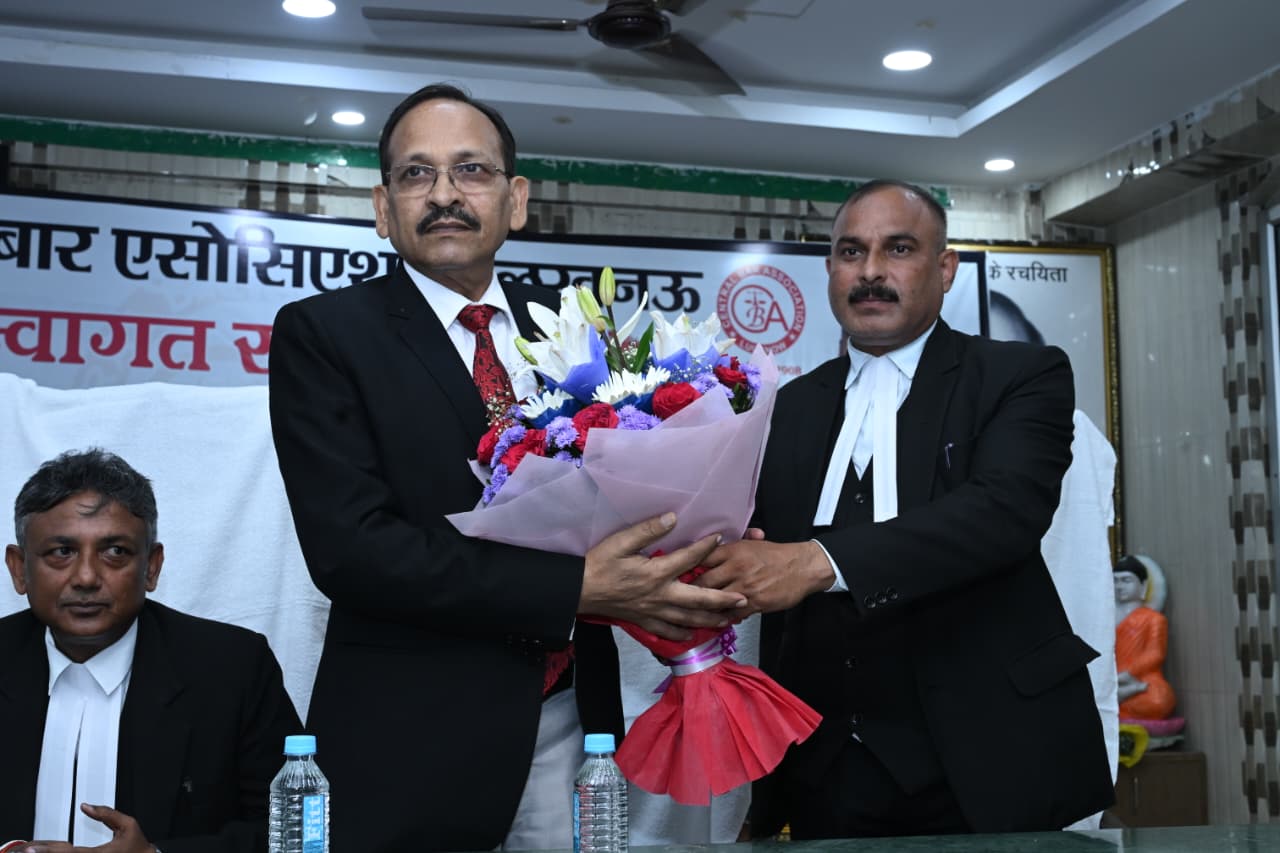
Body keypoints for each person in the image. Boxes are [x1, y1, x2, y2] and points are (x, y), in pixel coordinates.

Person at [267, 83, 743, 853]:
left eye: (472, 170)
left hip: (574, 725)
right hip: (410, 740)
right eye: (416, 174)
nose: (444, 195)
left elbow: (633, 493)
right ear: (383, 208)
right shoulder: (324, 334)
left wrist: (696, 543)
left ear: (515, 199)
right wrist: (573, 588)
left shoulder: (582, 334)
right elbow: (352, 550)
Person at [699, 179, 1115, 838]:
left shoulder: (1019, 375)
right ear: (830, 269)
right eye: (850, 252)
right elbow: (748, 540)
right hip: (821, 763)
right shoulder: (785, 406)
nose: (870, 272)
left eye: (898, 249)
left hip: (989, 758)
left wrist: (815, 562)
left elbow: (1002, 512)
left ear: (944, 268)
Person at [0, 448, 301, 852]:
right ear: (19, 569)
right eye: (62, 552)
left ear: (152, 567)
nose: (86, 577)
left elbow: (297, 834)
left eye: (115, 552)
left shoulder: (233, 669)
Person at [1113, 555, 1176, 720]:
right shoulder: (1106, 621)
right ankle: (1120, 697)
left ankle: (1118, 702)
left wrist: (1127, 673)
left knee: (1159, 701)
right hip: (1112, 677)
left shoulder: (1154, 619)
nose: (1119, 586)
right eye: (1115, 581)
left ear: (1143, 586)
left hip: (1141, 677)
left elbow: (1155, 654)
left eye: (1126, 580)